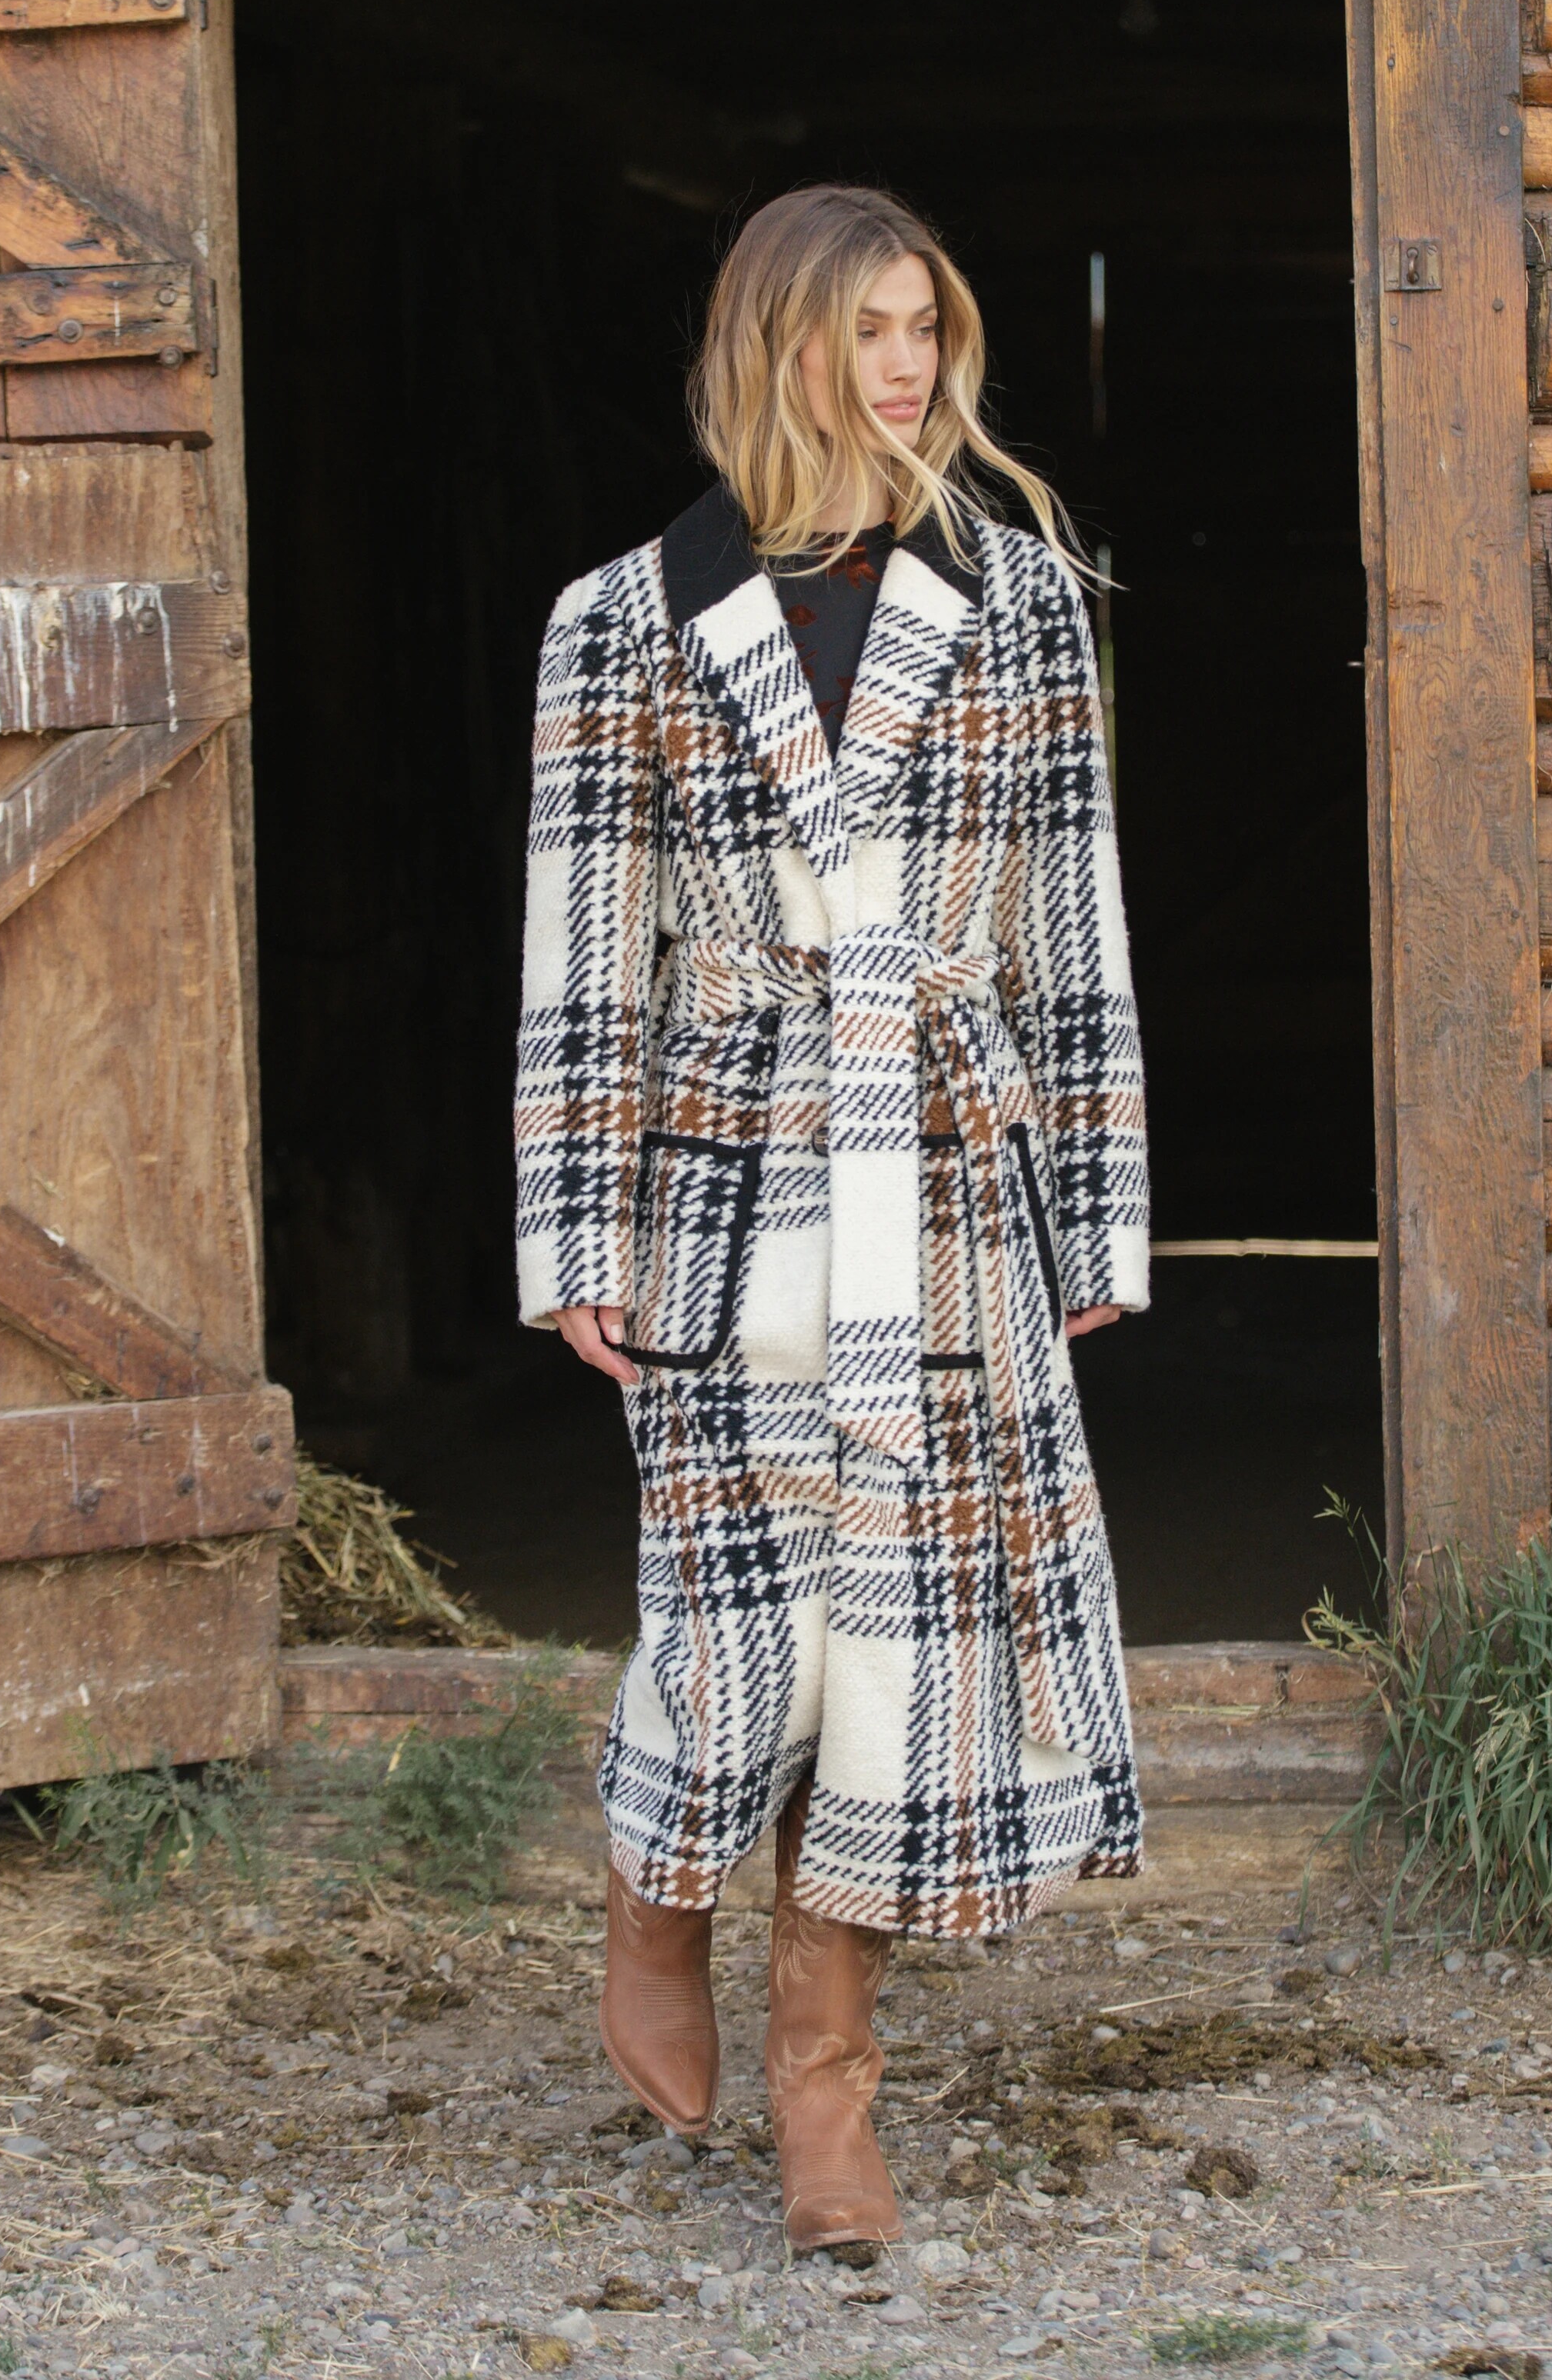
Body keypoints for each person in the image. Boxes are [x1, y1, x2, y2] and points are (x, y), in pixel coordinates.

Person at [515, 183, 1149, 2258]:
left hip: (950, 1172)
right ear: (769, 347)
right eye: (862, 328)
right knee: (736, 1630)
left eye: (924, 327)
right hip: (724, 1169)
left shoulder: (1023, 598)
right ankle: (655, 1884)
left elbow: (1070, 920)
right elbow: (589, 946)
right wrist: (575, 1233)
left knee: (900, 1657)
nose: (903, 367)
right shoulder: (622, 619)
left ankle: (829, 2082)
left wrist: (1095, 1216)